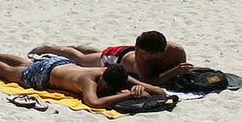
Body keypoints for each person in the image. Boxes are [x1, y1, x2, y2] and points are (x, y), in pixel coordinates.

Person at [0, 51, 167, 106]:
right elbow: (93, 101)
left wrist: (140, 89)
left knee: (26, 63)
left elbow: (160, 92)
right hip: (45, 75)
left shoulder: (119, 76)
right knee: (8, 73)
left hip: (59, 64)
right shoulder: (90, 81)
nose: (103, 90)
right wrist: (125, 96)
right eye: (103, 87)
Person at [32, 31, 190, 86]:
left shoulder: (176, 50)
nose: (140, 54)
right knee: (82, 59)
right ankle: (52, 48)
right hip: (116, 58)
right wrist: (173, 72)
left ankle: (77, 45)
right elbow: (148, 80)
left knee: (96, 53)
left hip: (121, 51)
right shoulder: (139, 58)